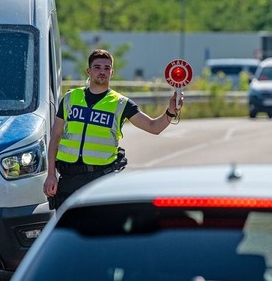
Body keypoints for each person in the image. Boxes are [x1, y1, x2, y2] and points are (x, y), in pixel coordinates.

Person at [44, 49, 183, 209]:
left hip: (101, 179)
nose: (102, 71)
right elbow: (55, 136)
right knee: (66, 229)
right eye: (97, 67)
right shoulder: (70, 98)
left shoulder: (121, 104)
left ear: (112, 72)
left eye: (106, 68)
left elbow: (153, 127)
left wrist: (170, 111)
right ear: (88, 71)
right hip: (68, 178)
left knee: (101, 231)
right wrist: (50, 175)